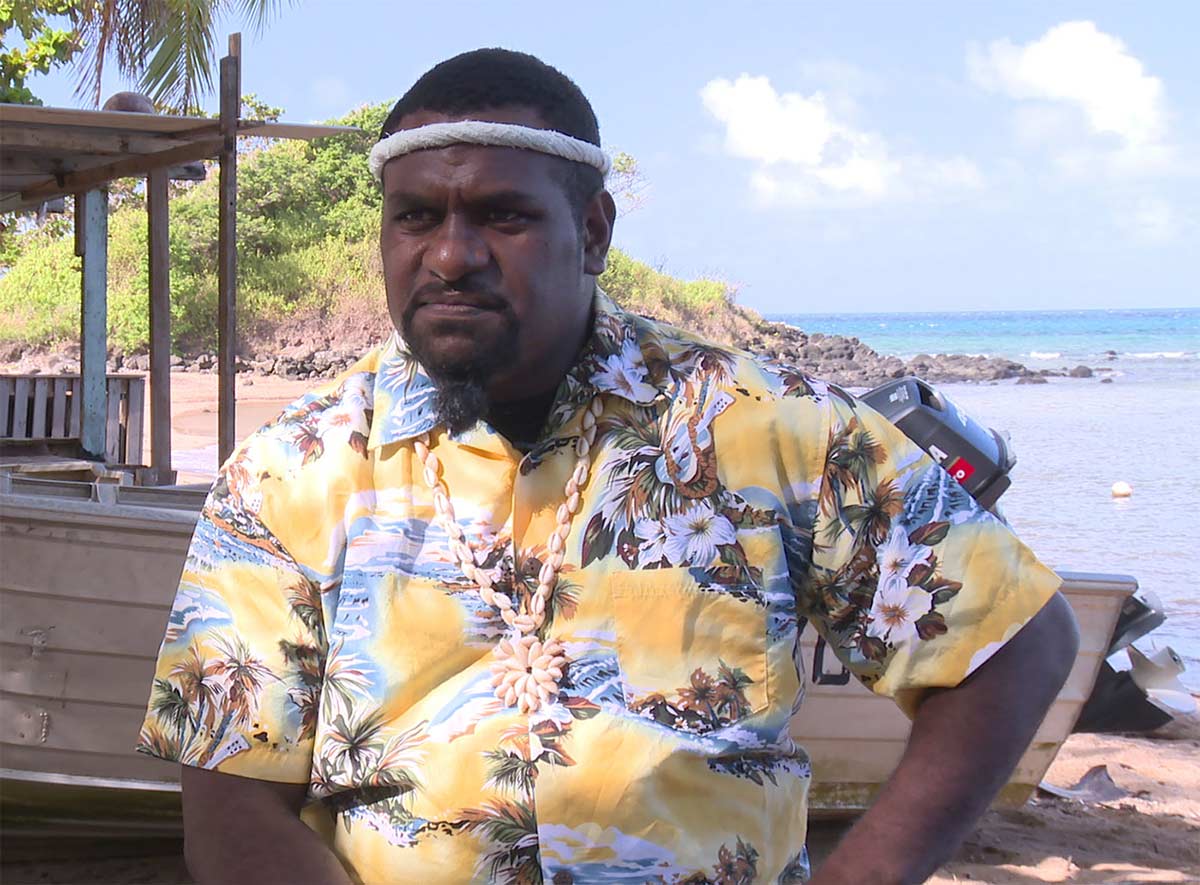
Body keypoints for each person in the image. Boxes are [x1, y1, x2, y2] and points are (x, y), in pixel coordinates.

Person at [139, 48, 1079, 885]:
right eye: (416, 217)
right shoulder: (291, 468)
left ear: (593, 232)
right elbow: (229, 804)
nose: (452, 254)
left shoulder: (765, 429)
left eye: (503, 216)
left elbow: (1015, 639)